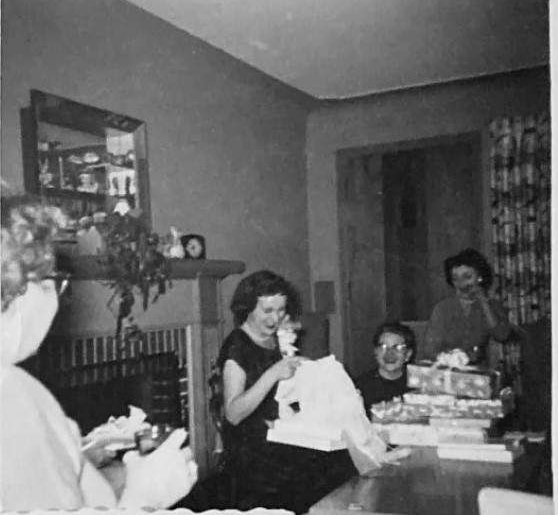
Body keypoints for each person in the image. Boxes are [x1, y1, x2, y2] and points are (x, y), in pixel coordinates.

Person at [0, 186, 198, 512]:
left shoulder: (21, 387)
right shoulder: (14, 405)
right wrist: (144, 498)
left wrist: (130, 472)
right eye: (53, 281)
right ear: (21, 286)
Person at [215, 270, 355, 514]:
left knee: (343, 458)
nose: (275, 318)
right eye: (267, 311)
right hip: (251, 448)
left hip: (280, 431)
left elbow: (283, 390)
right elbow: (233, 414)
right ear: (247, 308)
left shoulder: (274, 338)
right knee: (317, 473)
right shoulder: (236, 346)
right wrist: (273, 374)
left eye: (280, 310)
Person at [423, 248, 512, 367]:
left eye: (467, 277)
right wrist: (455, 358)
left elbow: (501, 335)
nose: (461, 284)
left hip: (479, 373)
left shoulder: (493, 306)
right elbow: (430, 350)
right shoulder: (443, 308)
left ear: (479, 278)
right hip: (445, 370)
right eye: (455, 278)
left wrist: (484, 303)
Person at [355, 321, 416, 415]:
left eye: (397, 348)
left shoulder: (417, 386)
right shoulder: (360, 388)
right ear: (376, 352)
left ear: (408, 354)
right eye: (383, 347)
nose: (390, 353)